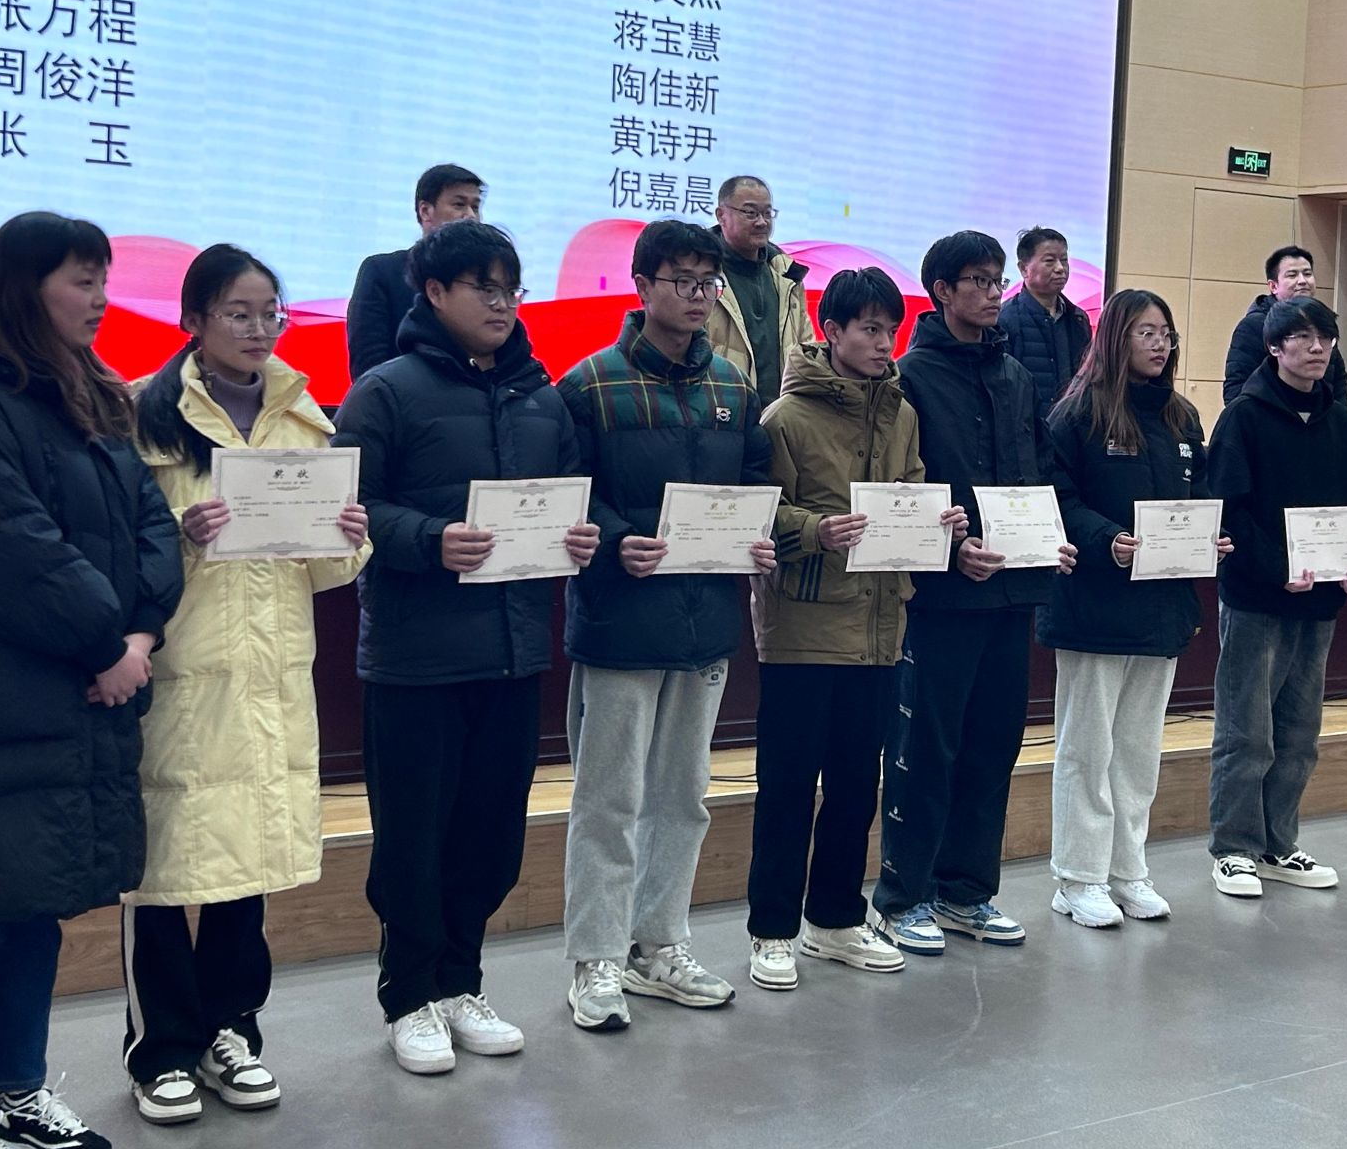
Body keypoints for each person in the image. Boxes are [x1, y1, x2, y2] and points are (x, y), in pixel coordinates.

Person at [0, 211, 182, 1149]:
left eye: (104, 278)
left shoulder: (89, 396)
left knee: (35, 903)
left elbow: (152, 526)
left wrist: (139, 635)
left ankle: (15, 1093)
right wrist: (106, 643)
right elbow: (13, 556)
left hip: (73, 698)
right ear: (24, 289)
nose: (100, 299)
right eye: (80, 280)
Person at [332, 220, 597, 1073]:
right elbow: (349, 510)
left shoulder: (541, 396)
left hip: (514, 651)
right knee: (413, 836)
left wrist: (579, 537)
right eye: (482, 286)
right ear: (434, 292)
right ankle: (408, 995)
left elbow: (567, 499)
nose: (501, 302)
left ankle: (460, 982)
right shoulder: (385, 390)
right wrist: (428, 538)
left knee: (491, 833)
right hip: (416, 656)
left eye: (510, 287)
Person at [122, 245, 370, 1122]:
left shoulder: (303, 416)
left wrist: (348, 537)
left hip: (270, 672)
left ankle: (232, 1031)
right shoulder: (146, 416)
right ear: (194, 320)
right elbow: (114, 551)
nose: (259, 328)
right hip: (180, 668)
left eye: (272, 312)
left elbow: (327, 571)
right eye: (238, 312)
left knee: (247, 859)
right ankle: (160, 1049)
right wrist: (181, 531)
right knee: (161, 868)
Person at [558, 218, 775, 1031]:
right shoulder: (590, 384)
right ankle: (597, 958)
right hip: (620, 622)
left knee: (684, 798)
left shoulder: (733, 386)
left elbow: (752, 483)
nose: (697, 295)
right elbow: (569, 496)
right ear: (642, 285)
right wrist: (618, 542)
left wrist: (758, 537)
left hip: (703, 624)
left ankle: (659, 945)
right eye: (681, 280)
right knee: (608, 802)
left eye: (707, 282)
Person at [744, 268, 963, 989]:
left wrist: (940, 523)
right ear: (830, 331)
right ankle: (771, 929)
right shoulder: (785, 419)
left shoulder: (902, 414)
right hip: (803, 627)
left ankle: (834, 920)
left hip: (879, 625)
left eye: (890, 329)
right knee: (786, 786)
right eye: (869, 328)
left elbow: (914, 489)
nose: (882, 342)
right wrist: (816, 529)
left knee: (854, 784)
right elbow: (755, 515)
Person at [871, 231, 1075, 956]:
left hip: (1013, 593)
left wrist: (1050, 538)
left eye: (996, 281)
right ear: (942, 291)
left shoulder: (1015, 375)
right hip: (940, 598)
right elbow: (897, 489)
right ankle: (903, 897)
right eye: (979, 282)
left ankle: (967, 891)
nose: (993, 293)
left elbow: (1036, 472)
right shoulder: (908, 377)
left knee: (994, 747)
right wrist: (951, 549)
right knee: (927, 749)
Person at [1041, 290, 1226, 929]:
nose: (1159, 344)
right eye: (1146, 332)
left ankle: (1127, 871)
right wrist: (1106, 541)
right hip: (1093, 605)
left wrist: (1210, 535)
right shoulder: (1077, 413)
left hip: (1161, 606)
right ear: (1115, 338)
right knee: (1087, 749)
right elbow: (1058, 497)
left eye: (1166, 333)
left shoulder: (1181, 416)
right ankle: (1079, 877)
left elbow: (1199, 494)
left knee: (1139, 752)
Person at [1205, 295, 1347, 898]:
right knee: (1247, 731)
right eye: (1302, 337)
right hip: (1256, 598)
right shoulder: (1243, 418)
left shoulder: (1343, 426)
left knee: (1299, 732)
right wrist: (1278, 568)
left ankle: (1279, 844)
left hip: (1319, 600)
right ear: (1274, 348)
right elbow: (1228, 511)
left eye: (1325, 337)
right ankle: (1233, 849)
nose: (1317, 347)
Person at [345, 163, 484, 379]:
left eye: (475, 207)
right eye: (459, 205)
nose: (471, 216)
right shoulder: (383, 272)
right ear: (425, 211)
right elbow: (369, 367)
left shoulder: (486, 281)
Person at [705, 174, 817, 406]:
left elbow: (807, 352)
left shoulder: (787, 276)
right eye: (750, 213)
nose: (762, 222)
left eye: (767, 213)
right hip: (720, 409)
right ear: (721, 215)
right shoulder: (701, 274)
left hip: (780, 415)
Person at [1221, 246, 1347, 412]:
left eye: (1307, 274)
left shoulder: (1322, 324)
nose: (1302, 281)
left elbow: (1339, 386)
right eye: (1292, 275)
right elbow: (1236, 388)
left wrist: (1338, 422)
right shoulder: (1254, 326)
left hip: (1318, 420)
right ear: (1273, 286)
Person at [999, 225, 1093, 423]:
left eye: (1064, 260)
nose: (1060, 268)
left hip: (1070, 428)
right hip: (1026, 429)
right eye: (1050, 261)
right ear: (1023, 268)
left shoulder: (1077, 318)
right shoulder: (1005, 319)